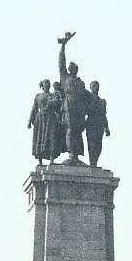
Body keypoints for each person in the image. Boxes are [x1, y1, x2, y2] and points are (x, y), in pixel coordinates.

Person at [57, 32, 88, 165]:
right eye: (70, 67)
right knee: (70, 130)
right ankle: (71, 155)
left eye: (73, 67)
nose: (71, 68)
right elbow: (61, 63)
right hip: (68, 108)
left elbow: (86, 97)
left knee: (77, 133)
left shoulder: (80, 83)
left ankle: (75, 156)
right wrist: (63, 46)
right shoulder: (65, 78)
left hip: (79, 110)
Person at [27, 79, 62, 165]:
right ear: (42, 86)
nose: (47, 85)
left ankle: (51, 159)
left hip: (51, 119)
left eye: (48, 83)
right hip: (40, 120)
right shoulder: (38, 96)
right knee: (40, 138)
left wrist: (55, 101)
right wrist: (30, 120)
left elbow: (58, 107)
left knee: (51, 138)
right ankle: (40, 160)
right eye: (45, 83)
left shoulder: (53, 95)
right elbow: (34, 109)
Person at [86, 80, 111, 167]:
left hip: (100, 124)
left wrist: (106, 127)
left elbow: (104, 115)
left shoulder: (102, 101)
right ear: (91, 87)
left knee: (98, 145)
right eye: (93, 86)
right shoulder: (88, 99)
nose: (95, 87)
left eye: (97, 86)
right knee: (91, 144)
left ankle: (95, 162)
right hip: (91, 123)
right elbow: (86, 110)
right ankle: (92, 163)